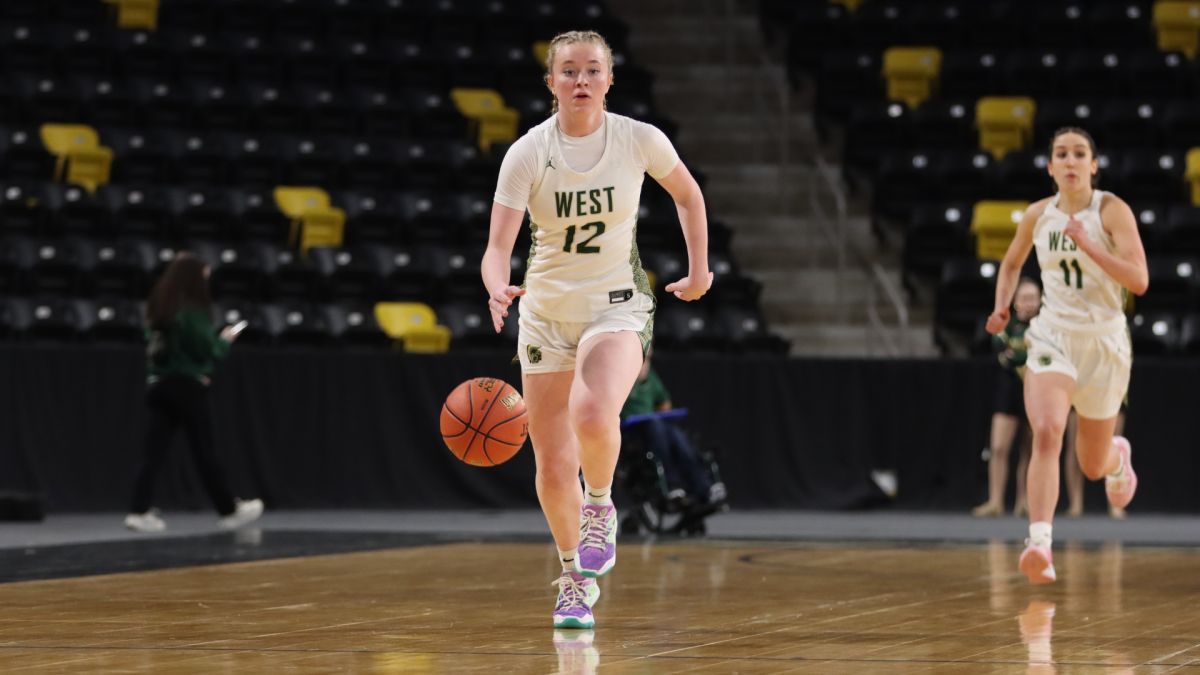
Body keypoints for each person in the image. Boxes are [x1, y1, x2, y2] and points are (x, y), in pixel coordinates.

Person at [483, 30, 711, 628]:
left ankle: (601, 505)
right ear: (552, 81)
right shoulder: (528, 152)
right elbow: (496, 247)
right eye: (568, 71)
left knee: (592, 413)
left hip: (618, 306)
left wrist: (699, 268)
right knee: (554, 464)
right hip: (545, 316)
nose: (580, 80)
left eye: (591, 70)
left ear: (609, 80)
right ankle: (572, 579)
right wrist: (495, 284)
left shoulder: (637, 139)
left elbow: (689, 197)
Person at [986, 127, 1147, 584]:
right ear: (1051, 167)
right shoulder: (1038, 215)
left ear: (1094, 166)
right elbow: (1013, 262)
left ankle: (1117, 457)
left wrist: (1091, 244)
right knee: (1047, 431)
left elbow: (1139, 281)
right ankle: (1039, 542)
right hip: (1053, 336)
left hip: (1104, 341)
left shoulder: (1111, 210)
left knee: (1091, 465)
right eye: (1062, 154)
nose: (1071, 161)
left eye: (1080, 154)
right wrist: (1001, 305)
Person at [125, 253, 264, 533]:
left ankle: (138, 511)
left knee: (153, 453)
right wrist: (224, 340)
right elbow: (207, 350)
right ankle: (228, 509)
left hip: (158, 385)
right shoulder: (193, 310)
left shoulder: (159, 308)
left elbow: (152, 344)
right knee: (205, 450)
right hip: (186, 387)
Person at [620, 347, 724, 510]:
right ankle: (671, 485)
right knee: (655, 426)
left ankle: (703, 488)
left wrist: (661, 411)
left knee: (674, 433)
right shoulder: (618, 371)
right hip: (628, 429)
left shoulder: (650, 375)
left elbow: (664, 402)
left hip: (651, 427)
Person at [973, 277, 1040, 518]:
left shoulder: (1045, 327)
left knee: (1030, 449)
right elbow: (1002, 353)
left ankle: (1025, 502)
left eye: (1034, 297)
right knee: (999, 447)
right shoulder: (1007, 324)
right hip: (1008, 389)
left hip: (1035, 390)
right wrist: (1022, 356)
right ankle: (995, 501)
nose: (1030, 303)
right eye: (1025, 298)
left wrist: (1018, 356)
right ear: (1014, 301)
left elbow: (1041, 355)